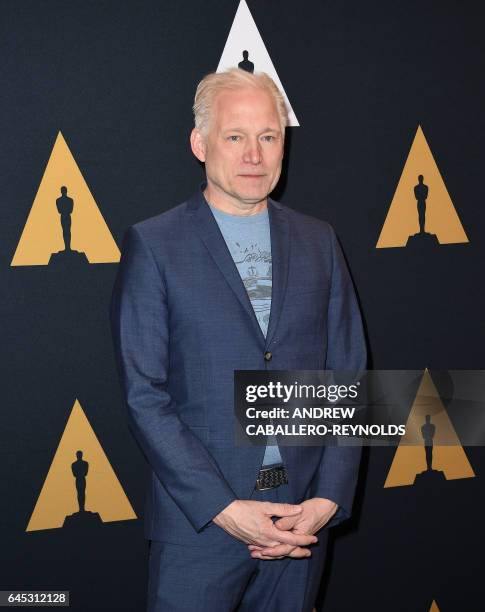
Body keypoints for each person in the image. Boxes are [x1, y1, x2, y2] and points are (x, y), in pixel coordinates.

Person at [110, 67, 366, 611]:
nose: (255, 154)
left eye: (268, 137)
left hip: (301, 523)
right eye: (236, 136)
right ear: (200, 144)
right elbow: (145, 395)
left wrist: (327, 498)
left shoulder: (318, 241)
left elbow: (347, 376)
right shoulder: (154, 245)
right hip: (201, 528)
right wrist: (224, 507)